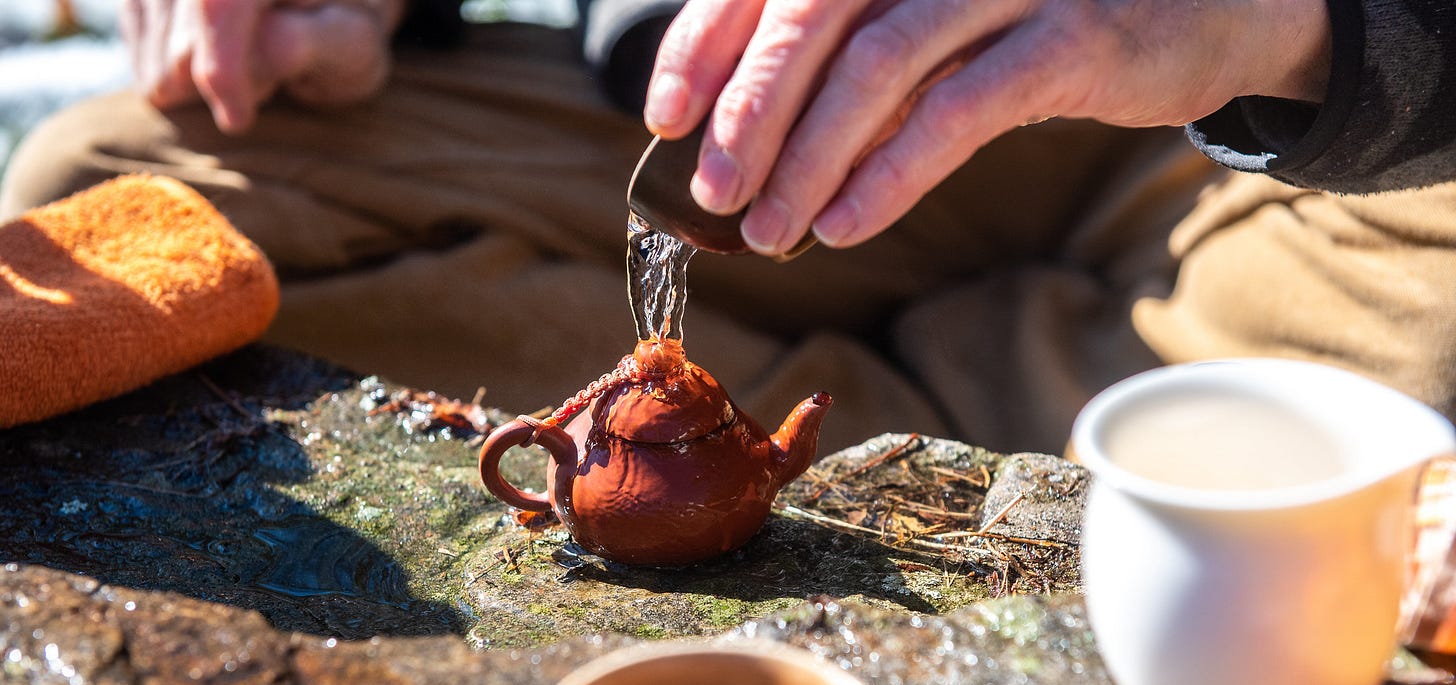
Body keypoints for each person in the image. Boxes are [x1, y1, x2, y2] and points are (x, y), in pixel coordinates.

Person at [4, 0, 1455, 457]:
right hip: (734, 102)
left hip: (1337, 145)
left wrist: (1308, 21)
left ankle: (879, 430)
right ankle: (955, 422)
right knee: (113, 194)